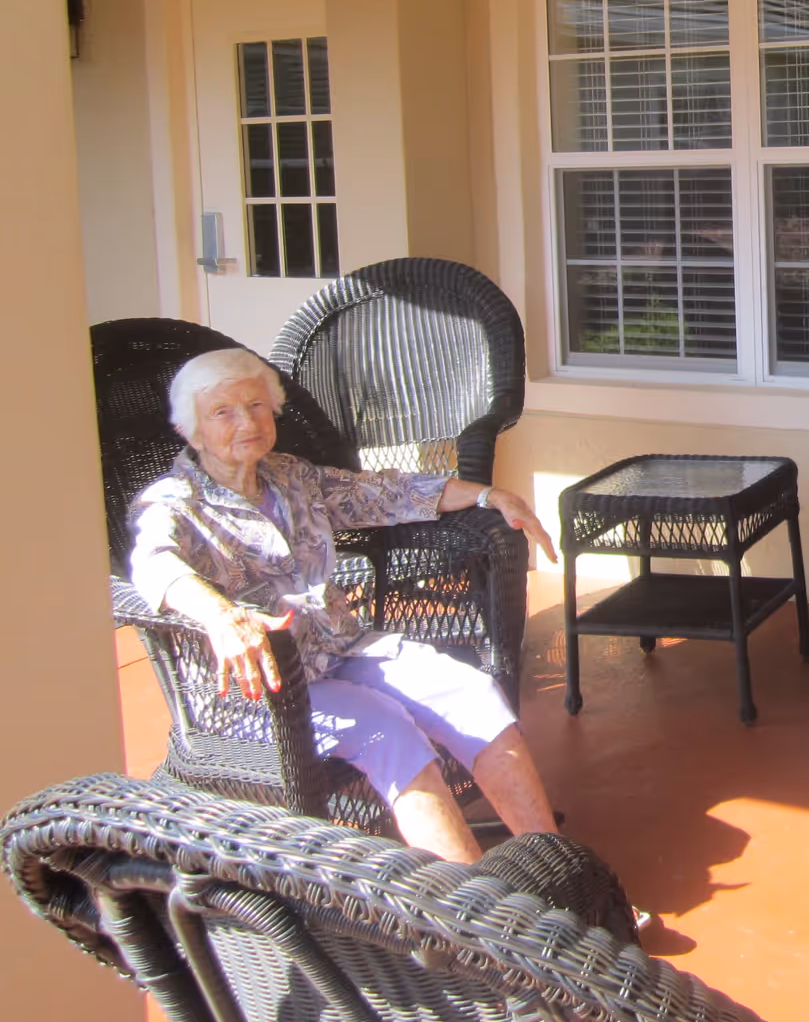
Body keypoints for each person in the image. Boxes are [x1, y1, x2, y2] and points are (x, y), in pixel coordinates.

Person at [128, 347, 562, 863]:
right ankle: (473, 916)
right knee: (385, 726)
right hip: (259, 690)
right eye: (223, 412)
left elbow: (382, 493)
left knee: (470, 692)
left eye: (257, 405)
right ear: (191, 430)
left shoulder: (290, 476)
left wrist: (490, 495)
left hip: (338, 649)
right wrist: (222, 615)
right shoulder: (173, 503)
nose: (246, 421)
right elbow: (153, 563)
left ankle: (558, 871)